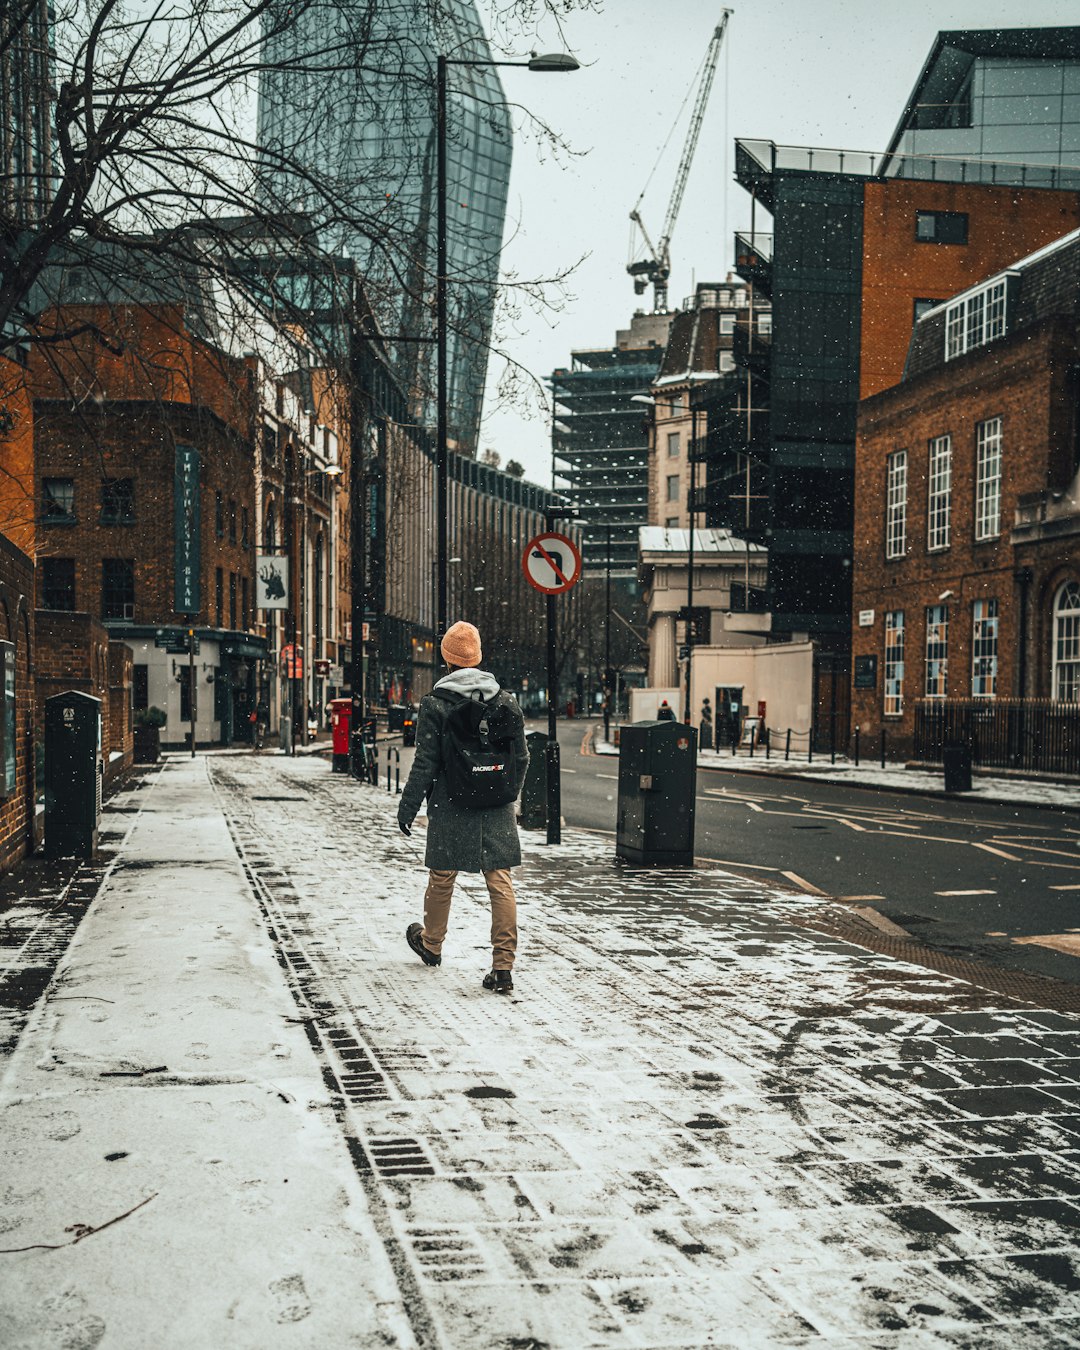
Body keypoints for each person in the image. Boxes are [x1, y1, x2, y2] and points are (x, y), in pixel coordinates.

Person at [397, 621, 529, 995]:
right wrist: (507, 794)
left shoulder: (436, 705)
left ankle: (431, 943)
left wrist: (408, 809)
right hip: (497, 805)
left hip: (451, 802)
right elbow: (522, 757)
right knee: (500, 881)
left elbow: (425, 764)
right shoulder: (506, 702)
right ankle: (503, 967)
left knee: (442, 876)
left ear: (448, 661)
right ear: (478, 658)